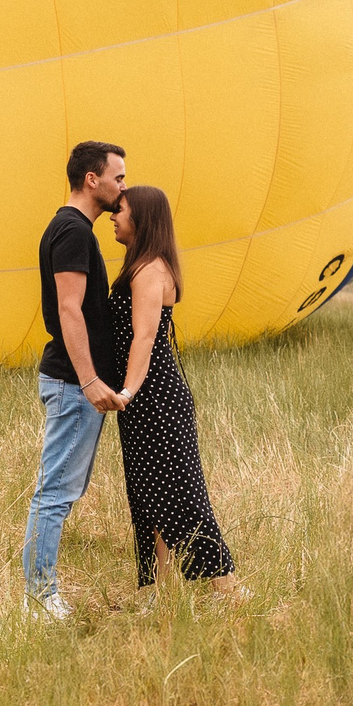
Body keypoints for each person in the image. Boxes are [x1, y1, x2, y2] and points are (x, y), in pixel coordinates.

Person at [108, 184, 239, 595]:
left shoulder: (149, 270)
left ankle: (230, 590)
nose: (113, 216)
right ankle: (156, 590)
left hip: (154, 396)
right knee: (149, 495)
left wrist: (127, 393)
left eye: (120, 209)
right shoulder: (146, 265)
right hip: (145, 399)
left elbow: (144, 339)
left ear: (141, 218)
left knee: (179, 493)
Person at [21, 140, 127, 618]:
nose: (122, 186)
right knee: (55, 492)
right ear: (92, 178)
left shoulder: (75, 229)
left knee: (60, 490)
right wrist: (88, 380)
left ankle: (41, 594)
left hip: (74, 383)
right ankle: (40, 600)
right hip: (71, 383)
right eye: (118, 177)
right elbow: (68, 309)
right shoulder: (72, 231)